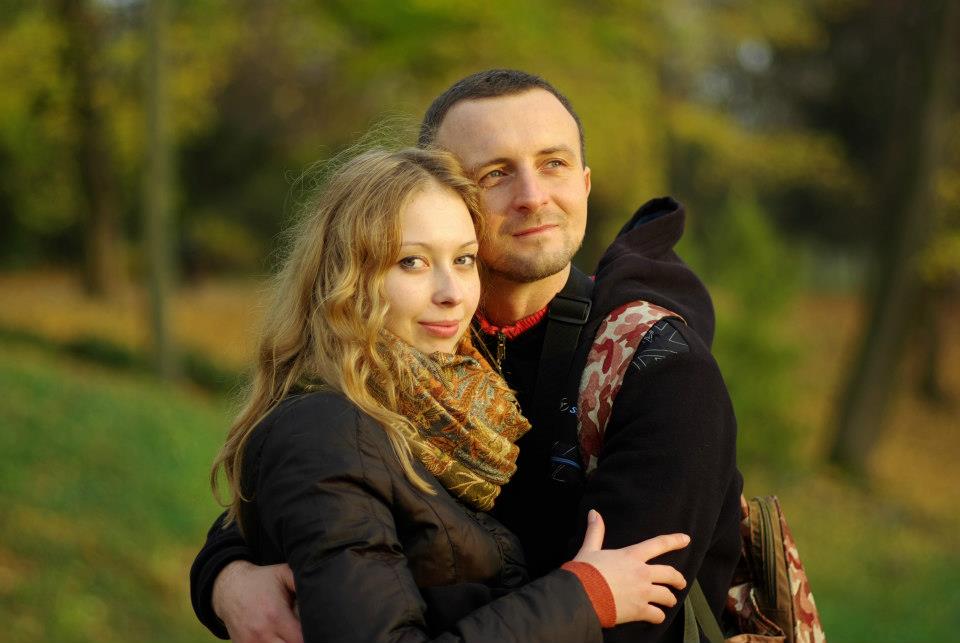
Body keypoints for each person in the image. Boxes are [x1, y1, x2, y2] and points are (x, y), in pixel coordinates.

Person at [191, 70, 743, 643]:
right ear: (441, 194)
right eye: (495, 173)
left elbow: (629, 626)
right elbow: (314, 489)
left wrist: (583, 597)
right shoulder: (410, 349)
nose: (533, 197)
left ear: (584, 183)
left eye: (553, 163)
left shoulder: (658, 371)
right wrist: (226, 577)